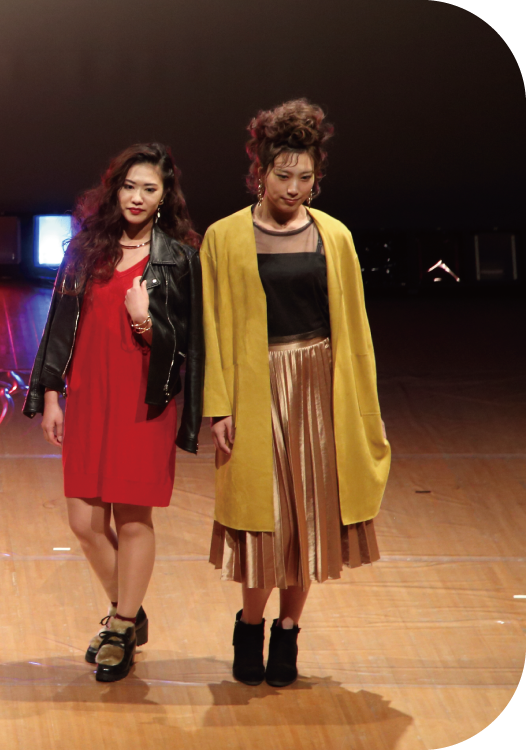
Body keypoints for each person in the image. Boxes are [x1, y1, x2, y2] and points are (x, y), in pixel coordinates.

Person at [200, 98, 388, 688]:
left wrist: (354, 405)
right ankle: (249, 626)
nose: (294, 188)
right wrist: (219, 405)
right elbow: (212, 327)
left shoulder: (334, 236)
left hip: (317, 385)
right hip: (255, 386)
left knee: (307, 516)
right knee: (264, 518)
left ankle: (288, 632)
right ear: (260, 172)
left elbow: (354, 330)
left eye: (305, 177)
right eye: (283, 175)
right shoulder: (224, 237)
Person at [23, 143, 204, 682]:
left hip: (143, 401)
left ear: (165, 196)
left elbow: (190, 345)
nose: (137, 197)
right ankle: (129, 610)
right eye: (129, 186)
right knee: (84, 521)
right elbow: (58, 326)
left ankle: (121, 625)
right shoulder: (86, 251)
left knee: (133, 517)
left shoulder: (178, 259)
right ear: (115, 189)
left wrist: (146, 320)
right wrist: (51, 394)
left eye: (150, 188)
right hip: (88, 395)